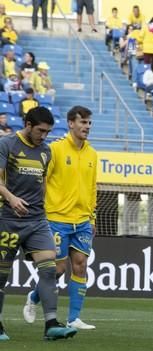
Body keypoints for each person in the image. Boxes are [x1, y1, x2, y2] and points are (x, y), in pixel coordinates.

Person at [0, 107, 78, 341]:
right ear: (28, 124)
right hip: (7, 219)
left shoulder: (45, 151)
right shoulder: (8, 144)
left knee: (50, 270)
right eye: (40, 131)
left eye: (47, 132)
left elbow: (42, 184)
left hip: (36, 220)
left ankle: (51, 325)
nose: (43, 136)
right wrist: (12, 198)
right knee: (1, 276)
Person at [23, 106, 97, 330]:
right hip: (56, 218)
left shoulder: (92, 154)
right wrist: (41, 210)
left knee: (81, 266)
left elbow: (93, 187)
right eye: (82, 122)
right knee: (57, 270)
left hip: (83, 220)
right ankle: (33, 298)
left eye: (89, 123)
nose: (86, 127)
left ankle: (74, 318)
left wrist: (92, 217)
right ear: (70, 124)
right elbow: (43, 180)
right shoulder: (54, 149)